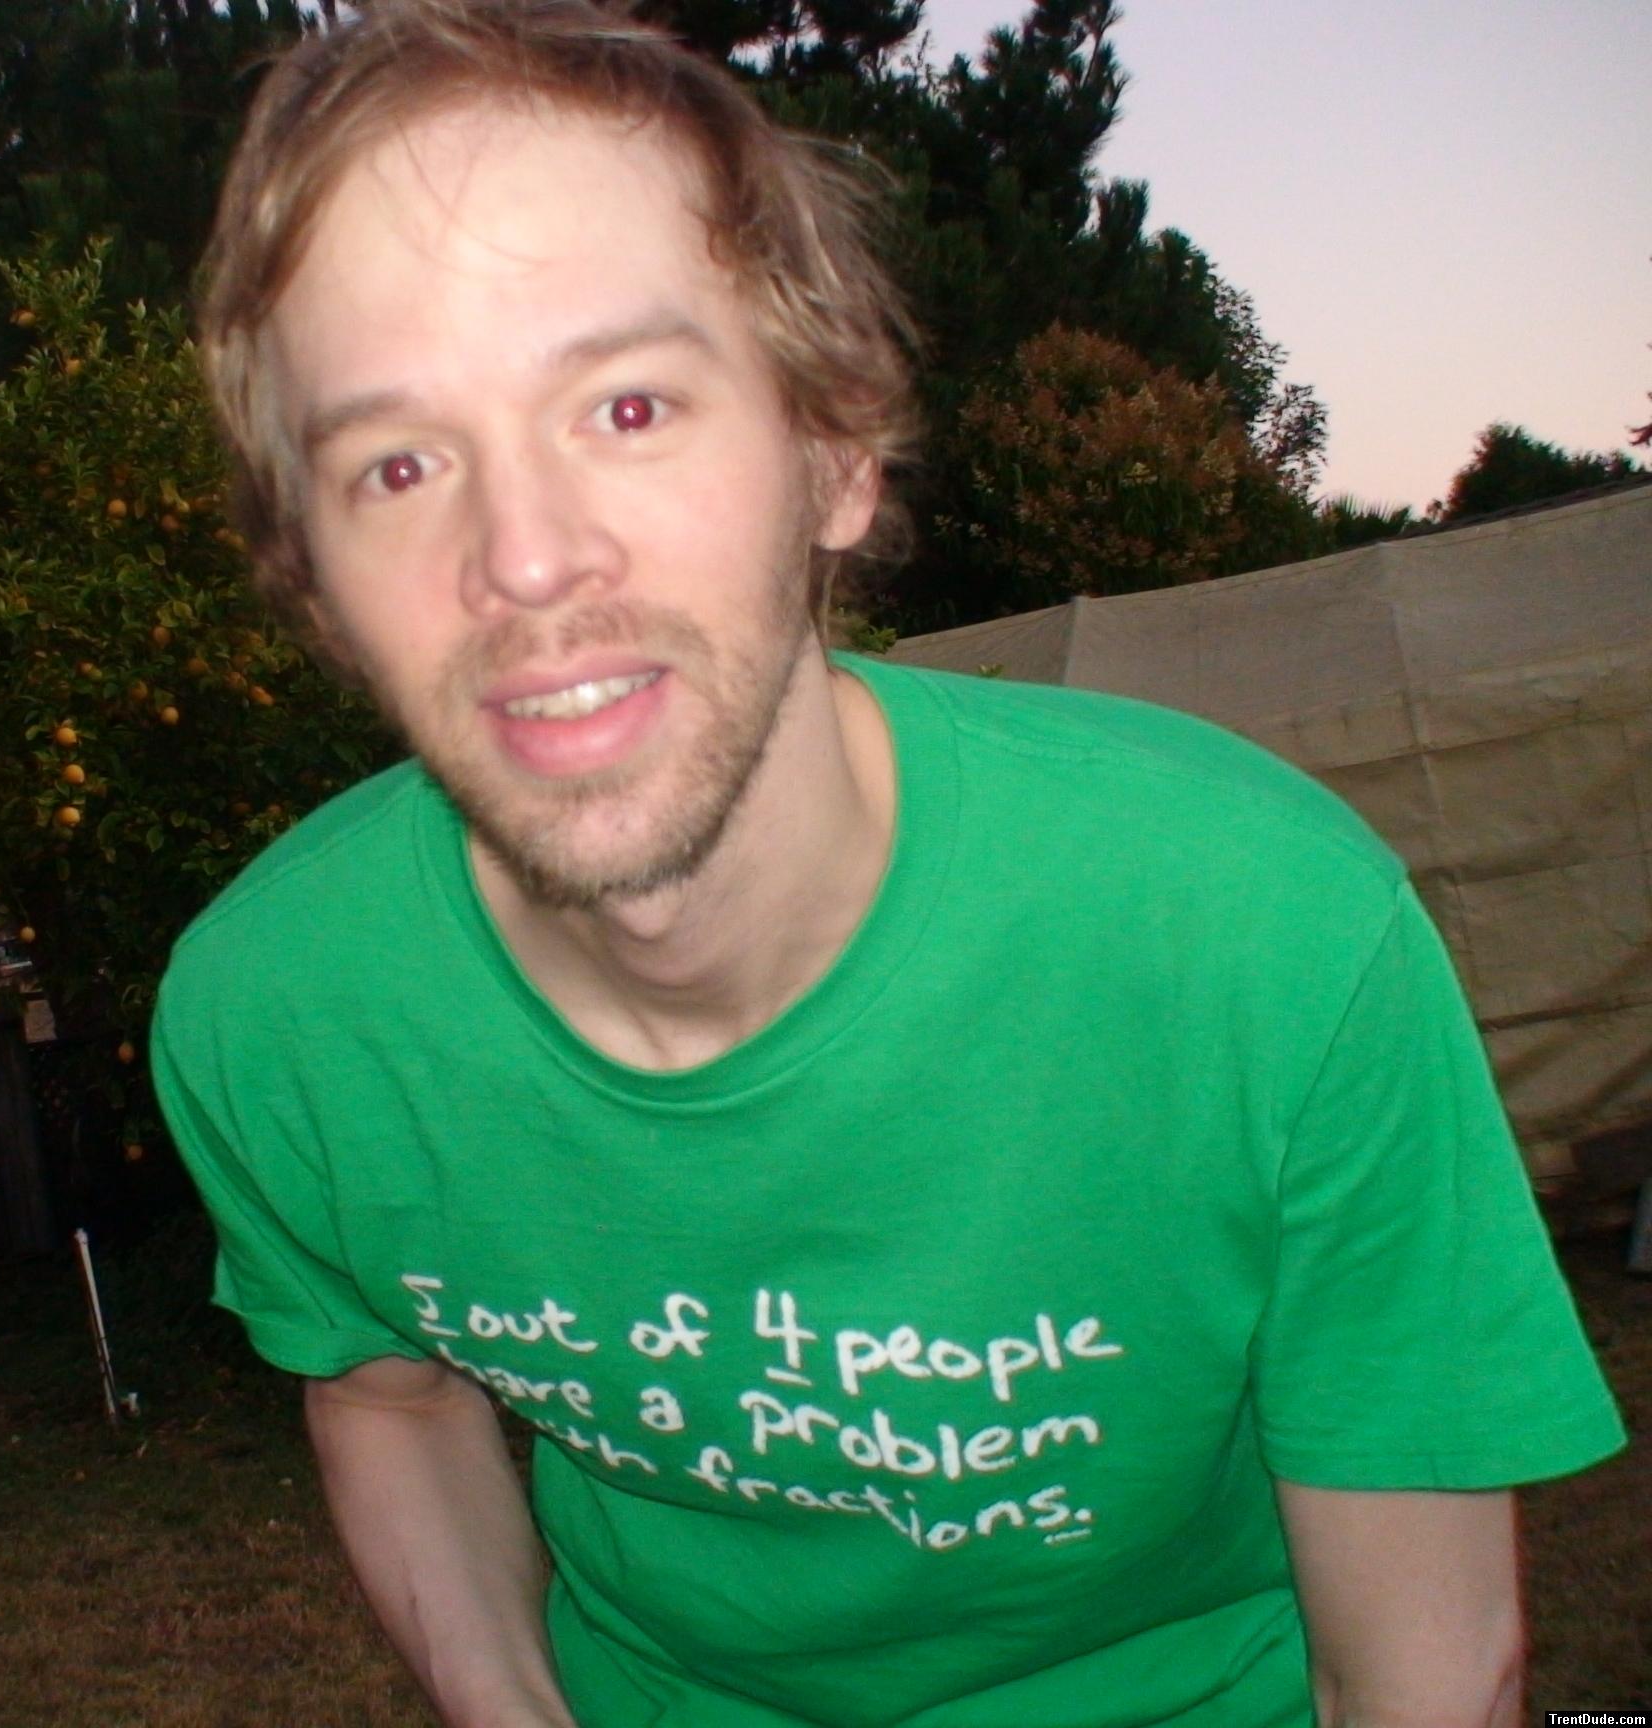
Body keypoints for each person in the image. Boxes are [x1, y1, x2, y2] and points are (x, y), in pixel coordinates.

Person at [149, 4, 1625, 1723]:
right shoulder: (279, 1020)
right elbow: (389, 1391)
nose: (527, 558)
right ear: (316, 579)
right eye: (397, 464)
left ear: (834, 455)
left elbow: (1439, 1672)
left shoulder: (1263, 941)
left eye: (627, 405)